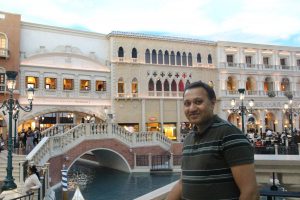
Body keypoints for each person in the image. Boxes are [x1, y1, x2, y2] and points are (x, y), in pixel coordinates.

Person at [167, 81, 258, 200]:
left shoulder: (230, 134)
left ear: (212, 103)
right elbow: (183, 182)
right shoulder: (188, 139)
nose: (192, 108)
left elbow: (250, 193)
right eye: (187, 103)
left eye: (198, 102)